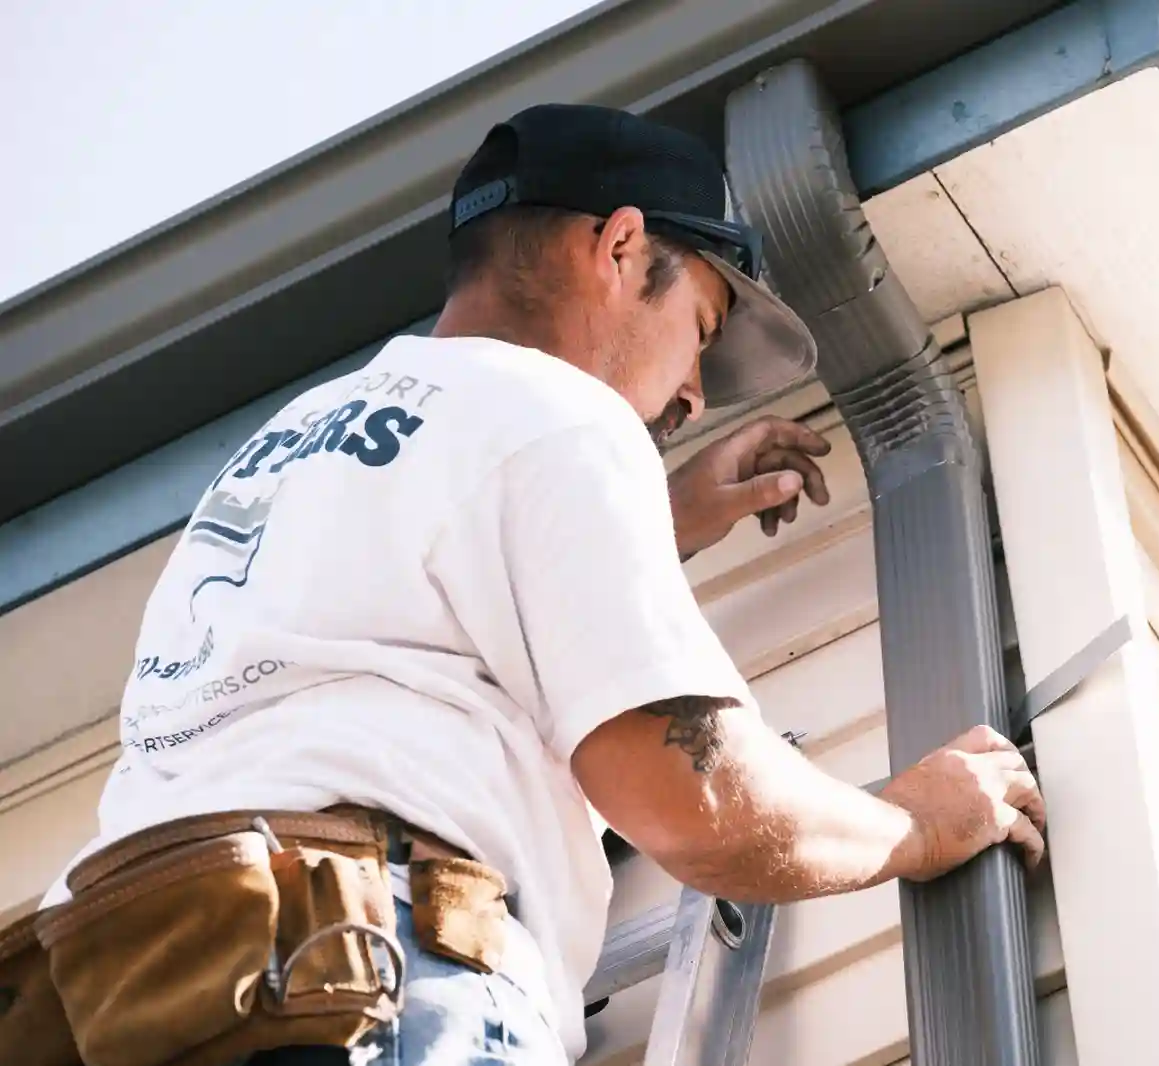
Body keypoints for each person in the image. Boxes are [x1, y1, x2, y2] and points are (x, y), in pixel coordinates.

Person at [38, 104, 1046, 1066]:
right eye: (700, 325)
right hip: (374, 974)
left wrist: (657, 518)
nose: (692, 394)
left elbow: (399, 612)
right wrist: (914, 822)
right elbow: (695, 795)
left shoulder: (295, 437)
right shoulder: (558, 418)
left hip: (140, 985)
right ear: (617, 247)